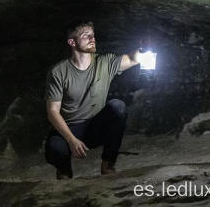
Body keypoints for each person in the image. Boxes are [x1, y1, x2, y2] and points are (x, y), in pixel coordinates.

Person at [44, 20, 141, 179]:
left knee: (118, 107)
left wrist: (144, 49)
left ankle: (108, 165)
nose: (92, 38)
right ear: (72, 42)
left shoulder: (105, 62)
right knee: (55, 147)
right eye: (85, 36)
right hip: (70, 128)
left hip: (95, 127)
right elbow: (52, 112)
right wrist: (71, 140)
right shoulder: (59, 72)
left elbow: (132, 59)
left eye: (93, 35)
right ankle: (64, 171)